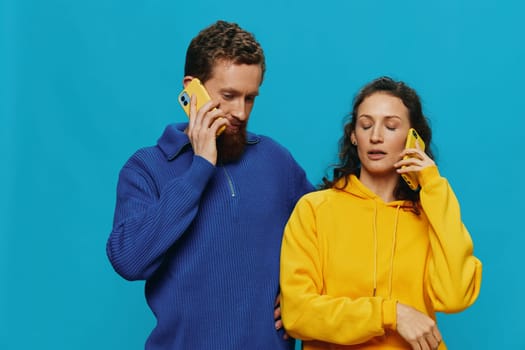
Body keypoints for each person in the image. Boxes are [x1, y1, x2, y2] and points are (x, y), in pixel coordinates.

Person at [106, 20, 313, 349]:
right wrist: (200, 167)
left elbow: (330, 235)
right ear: (192, 89)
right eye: (228, 96)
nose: (240, 112)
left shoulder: (275, 160)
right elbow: (130, 260)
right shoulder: (146, 168)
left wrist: (305, 302)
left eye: (250, 98)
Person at [279, 76, 482, 350]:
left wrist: (433, 185)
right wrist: (391, 314)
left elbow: (455, 296)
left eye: (391, 126)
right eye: (366, 125)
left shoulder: (429, 216)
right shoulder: (314, 210)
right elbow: (298, 314)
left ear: (414, 139)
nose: (375, 136)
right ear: (353, 135)